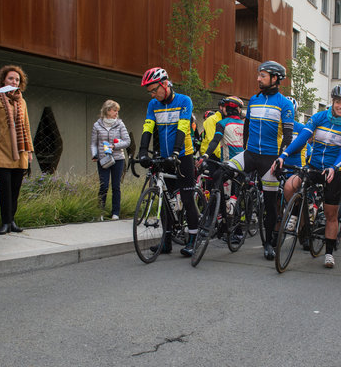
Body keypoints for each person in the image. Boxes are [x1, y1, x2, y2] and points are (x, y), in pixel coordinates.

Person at [273, 84, 341, 268]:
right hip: (313, 167)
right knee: (289, 186)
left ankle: (329, 253)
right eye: (338, 102)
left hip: (334, 171)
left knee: (331, 214)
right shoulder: (319, 118)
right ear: (332, 102)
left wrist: (334, 167)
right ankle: (300, 220)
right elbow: (302, 138)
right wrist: (284, 156)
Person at [227, 60, 294, 260]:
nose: (258, 78)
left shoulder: (285, 103)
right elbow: (246, 127)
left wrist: (281, 159)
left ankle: (269, 243)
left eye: (262, 75)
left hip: (270, 158)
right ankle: (226, 220)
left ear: (275, 79)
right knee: (222, 171)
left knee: (271, 204)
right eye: (259, 75)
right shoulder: (254, 100)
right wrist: (245, 147)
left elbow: (288, 136)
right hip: (250, 153)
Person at [136, 67, 199, 256]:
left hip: (183, 156)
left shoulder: (184, 101)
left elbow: (182, 128)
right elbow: (148, 128)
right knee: (165, 198)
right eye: (150, 92)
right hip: (165, 156)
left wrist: (176, 153)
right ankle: (166, 241)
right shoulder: (153, 104)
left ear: (165, 84)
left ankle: (193, 239)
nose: (153, 94)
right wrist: (142, 152)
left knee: (187, 199)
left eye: (155, 90)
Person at [0, 65, 34, 235]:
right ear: (3, 79)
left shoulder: (22, 101)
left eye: (17, 79)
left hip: (20, 151)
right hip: (1, 149)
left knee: (15, 188)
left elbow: (26, 126)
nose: (14, 81)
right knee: (4, 187)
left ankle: (12, 220)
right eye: (11, 78)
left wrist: (30, 150)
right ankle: (4, 222)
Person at [91, 100, 130, 221]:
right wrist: (94, 154)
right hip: (103, 159)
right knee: (104, 185)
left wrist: (115, 146)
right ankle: (100, 212)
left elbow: (127, 141)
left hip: (118, 159)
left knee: (116, 186)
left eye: (117, 111)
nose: (116, 113)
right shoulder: (97, 125)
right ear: (107, 111)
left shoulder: (120, 124)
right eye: (114, 111)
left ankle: (115, 213)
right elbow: (93, 143)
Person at [200, 96, 245, 162]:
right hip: (241, 160)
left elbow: (215, 140)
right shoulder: (244, 124)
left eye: (224, 106)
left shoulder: (222, 123)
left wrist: (206, 155)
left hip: (228, 161)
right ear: (238, 110)